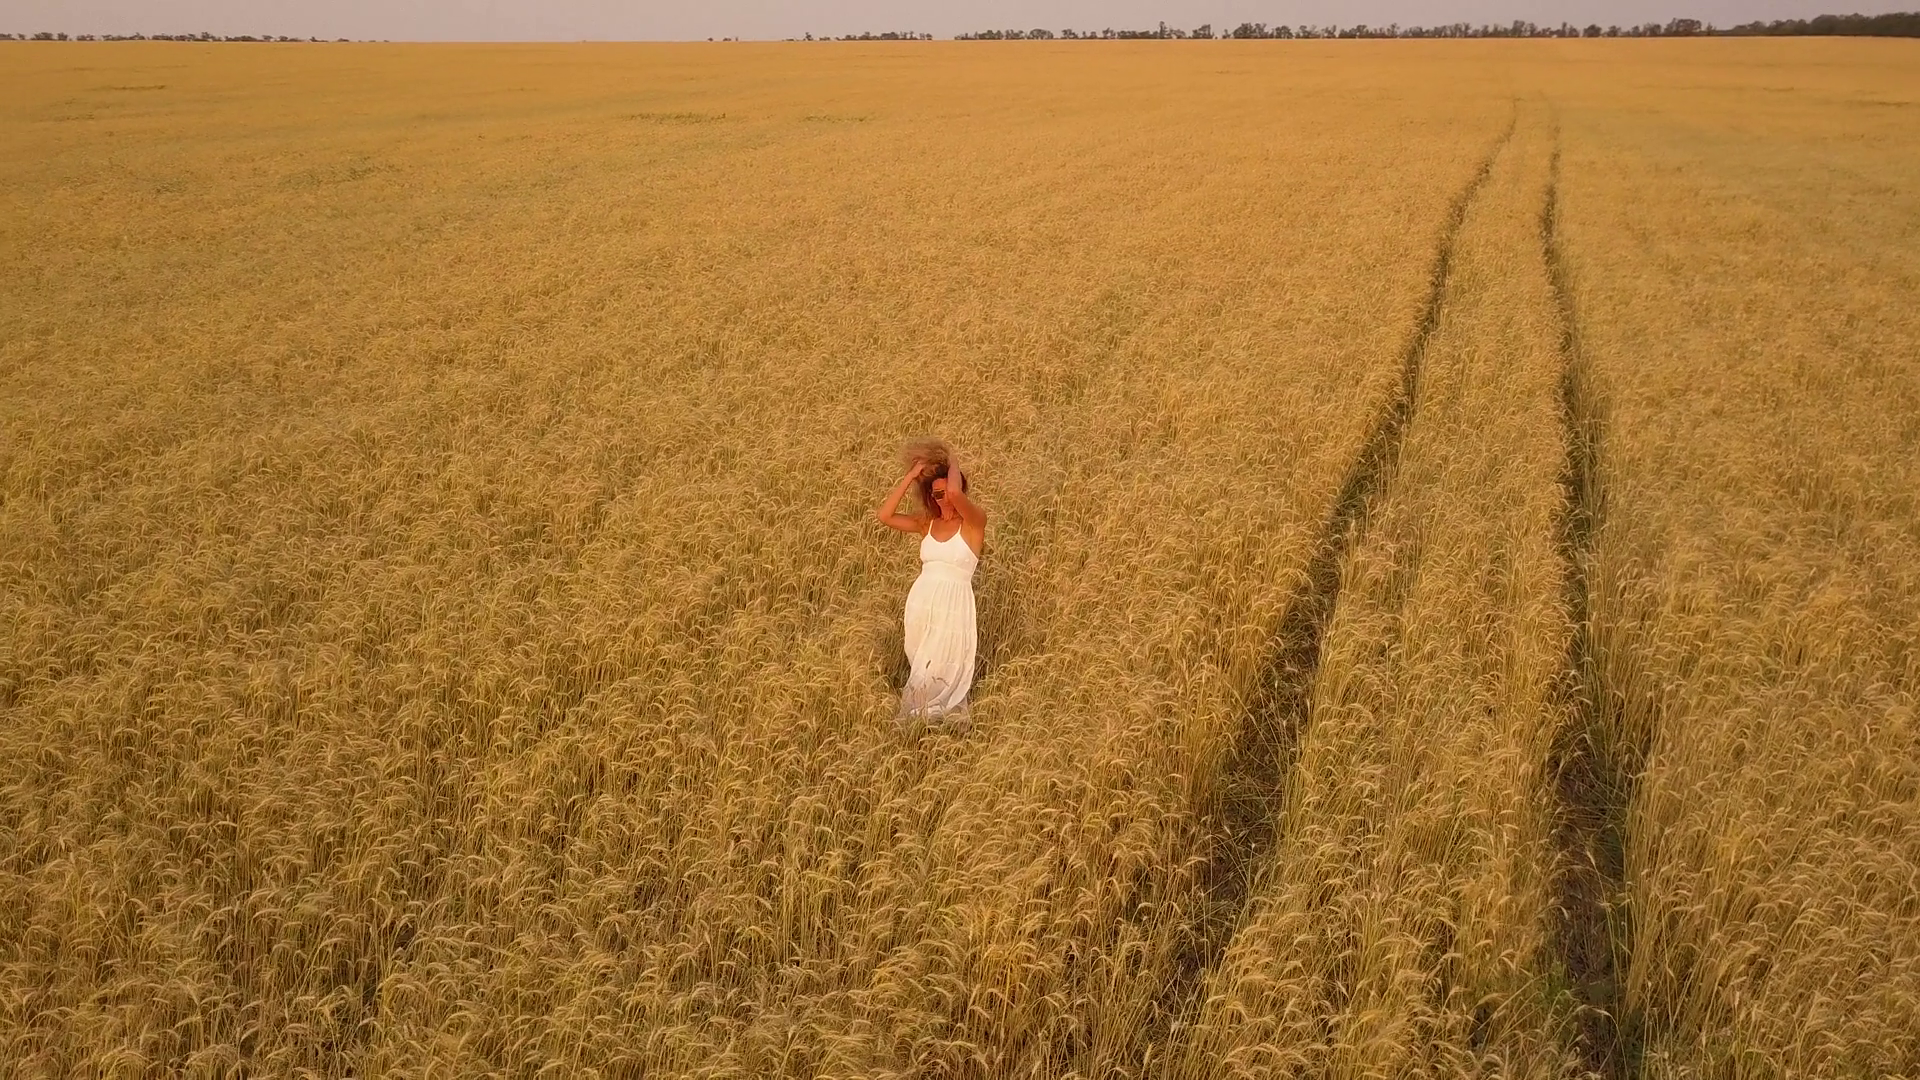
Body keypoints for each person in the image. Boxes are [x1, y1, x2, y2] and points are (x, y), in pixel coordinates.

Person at [875, 454, 986, 725]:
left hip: (953, 606)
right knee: (922, 661)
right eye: (936, 494)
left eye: (945, 491)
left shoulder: (974, 523)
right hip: (921, 603)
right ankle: (920, 720)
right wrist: (911, 477)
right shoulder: (927, 524)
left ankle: (932, 717)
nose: (942, 498)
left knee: (944, 662)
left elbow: (955, 493)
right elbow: (884, 516)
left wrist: (951, 458)